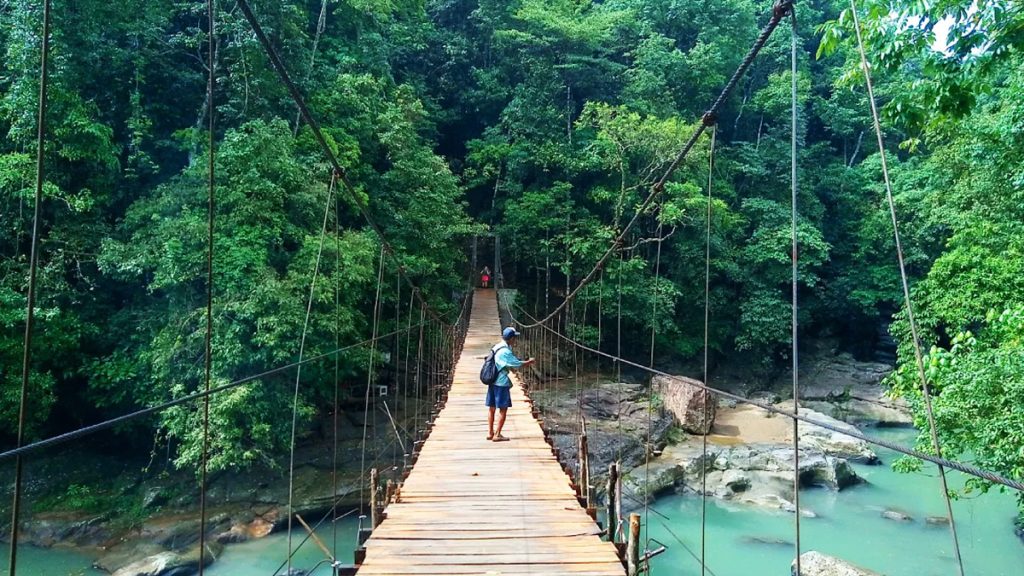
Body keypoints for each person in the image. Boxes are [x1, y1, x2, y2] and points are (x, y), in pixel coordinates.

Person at [486, 327, 534, 441]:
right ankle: (497, 435)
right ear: (511, 338)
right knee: (503, 409)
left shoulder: (496, 347)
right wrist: (529, 362)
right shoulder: (506, 351)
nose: (515, 340)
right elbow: (516, 364)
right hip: (501, 383)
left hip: (492, 380)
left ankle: (490, 433)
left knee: (492, 408)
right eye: (515, 338)